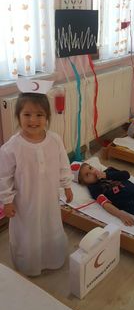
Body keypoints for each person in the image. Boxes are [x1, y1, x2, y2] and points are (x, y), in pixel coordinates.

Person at [0, 79, 73, 276]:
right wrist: (6, 201)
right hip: (25, 202)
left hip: (49, 199)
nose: (33, 120)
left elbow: (63, 164)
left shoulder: (54, 140)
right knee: (28, 232)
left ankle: (51, 258)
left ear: (47, 117)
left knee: (50, 225)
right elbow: (3, 176)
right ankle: (29, 264)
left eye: (39, 115)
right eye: (27, 115)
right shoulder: (12, 147)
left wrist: (67, 185)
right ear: (18, 116)